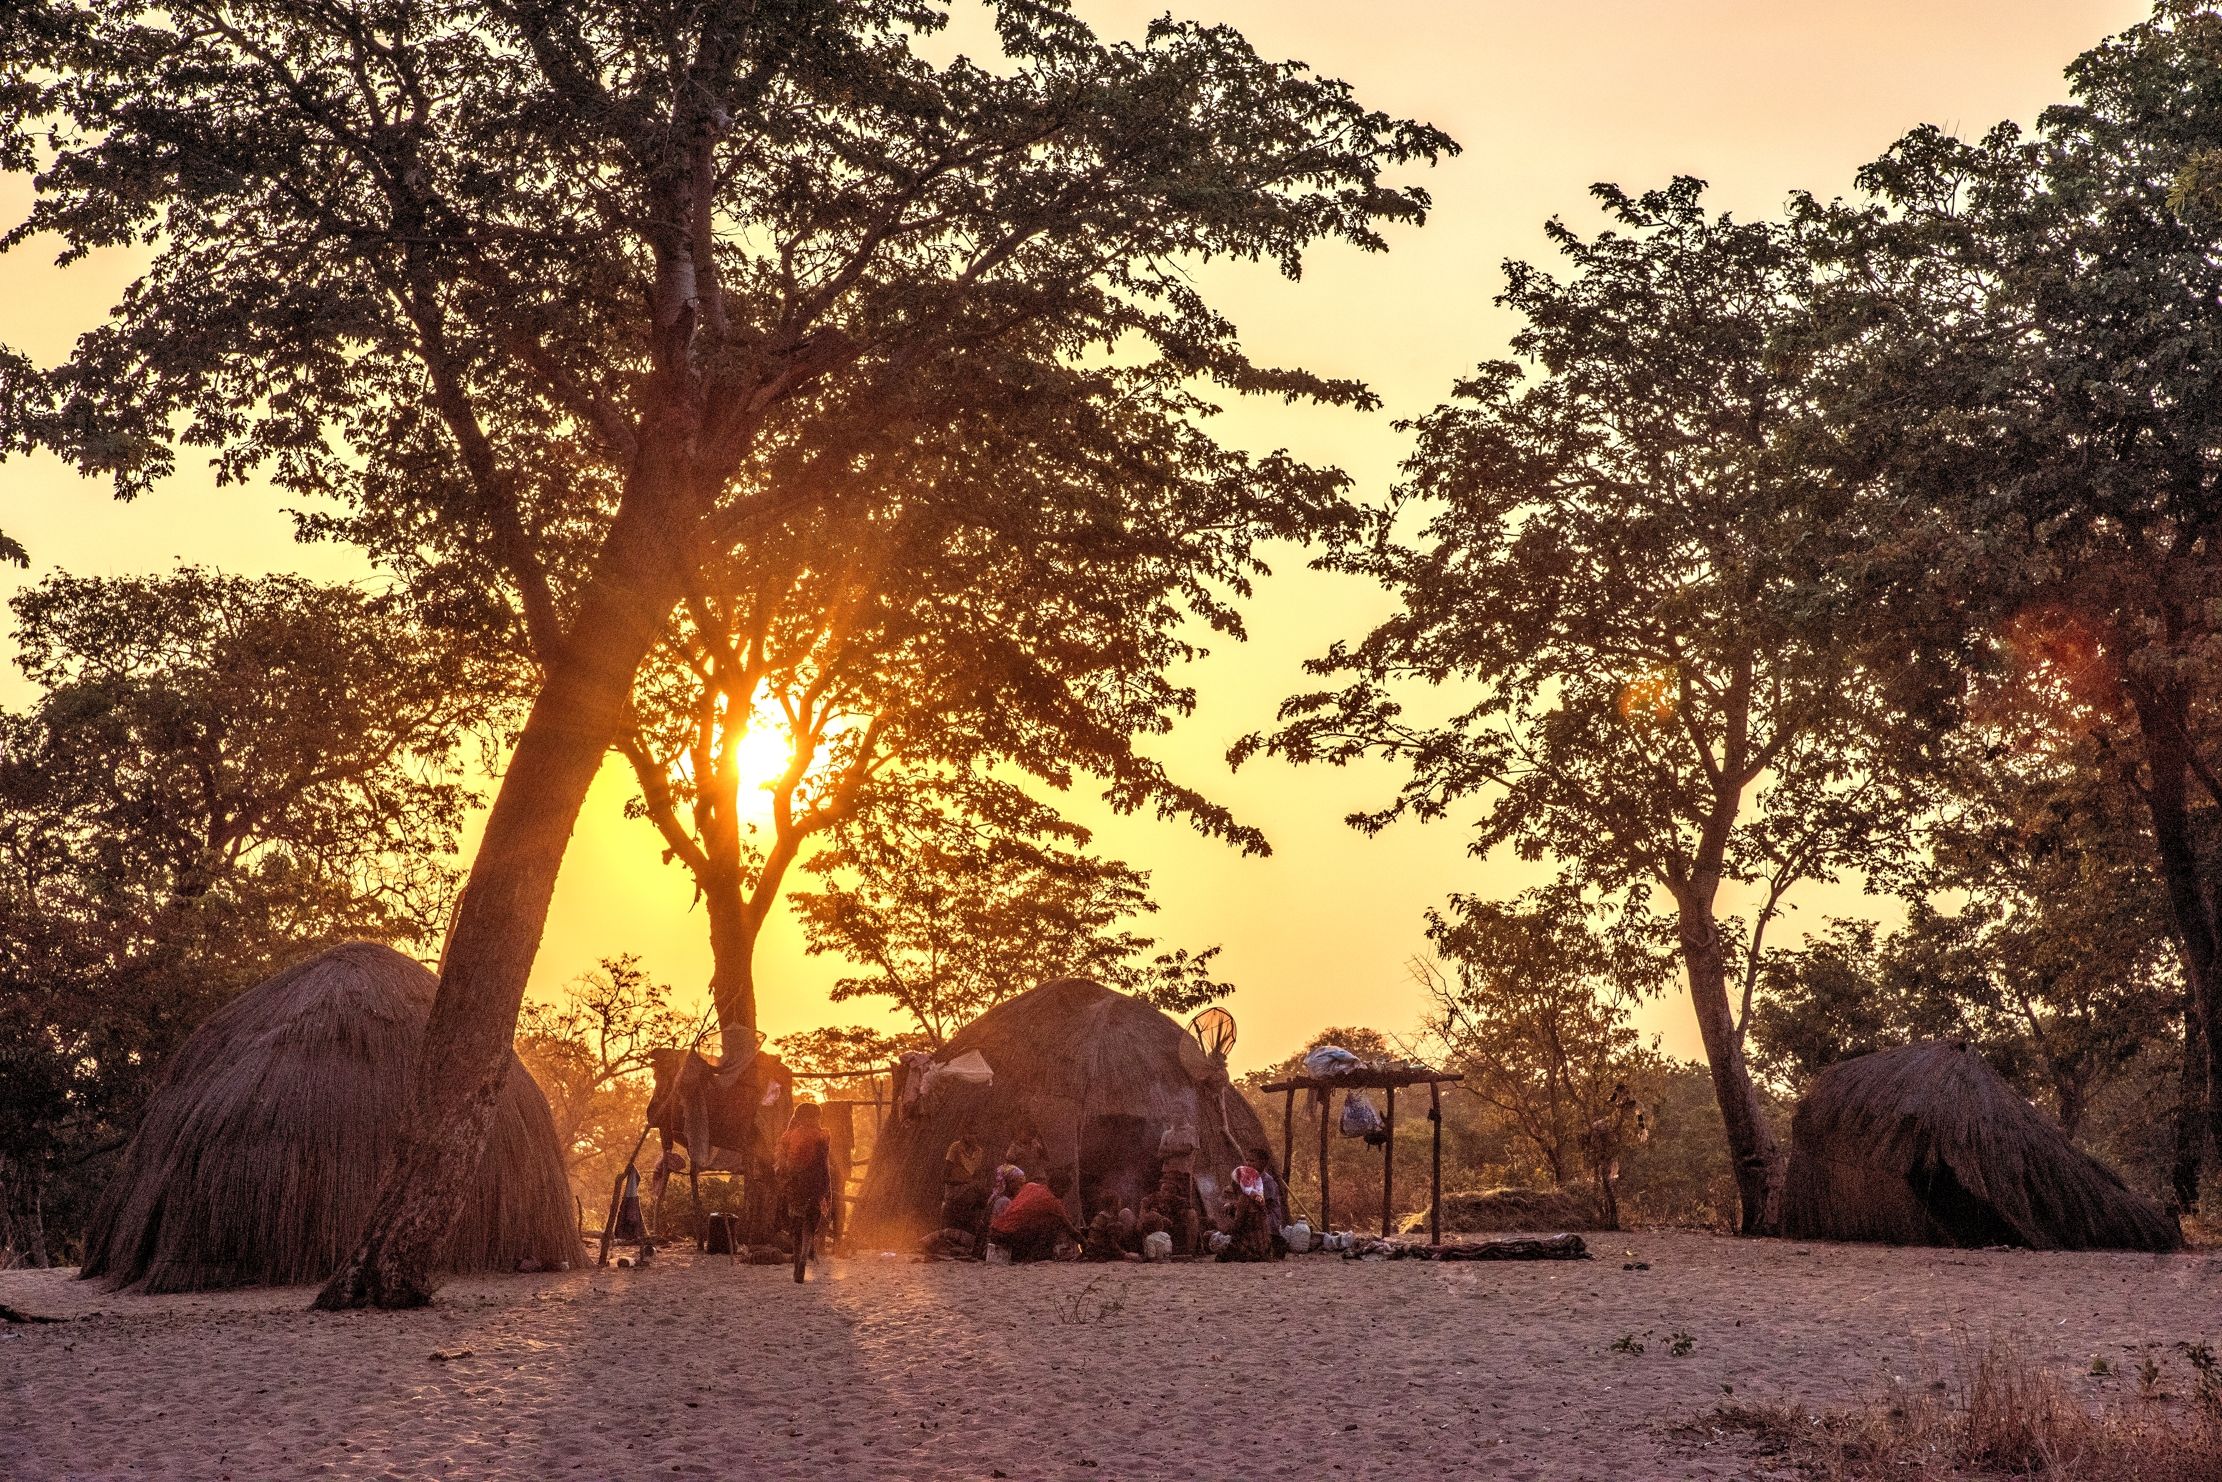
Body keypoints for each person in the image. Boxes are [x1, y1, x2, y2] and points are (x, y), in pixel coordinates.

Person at [775, 1101, 834, 1283]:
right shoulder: (822, 1136)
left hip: (795, 1184)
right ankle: (803, 1259)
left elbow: (781, 1165)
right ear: (817, 1117)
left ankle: (796, 1266)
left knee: (796, 1225)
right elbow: (824, 1165)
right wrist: (827, 1187)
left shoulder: (789, 1136)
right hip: (814, 1183)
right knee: (810, 1223)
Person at [988, 1169, 1082, 1262]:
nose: (1064, 1195)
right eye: (1064, 1191)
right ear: (1057, 1186)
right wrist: (1086, 1246)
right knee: (1053, 1222)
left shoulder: (1030, 1186)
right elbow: (1072, 1230)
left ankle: (1027, 1256)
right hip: (1009, 1236)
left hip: (995, 1232)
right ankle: (1036, 1258)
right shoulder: (1052, 1201)